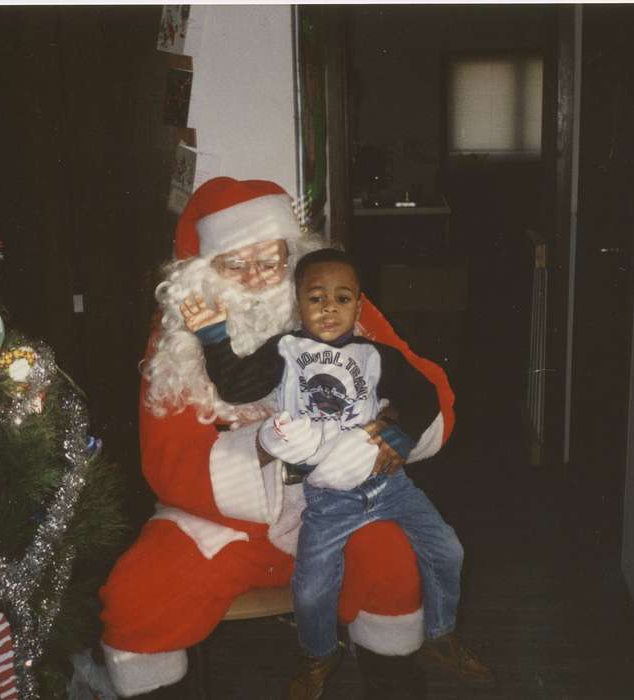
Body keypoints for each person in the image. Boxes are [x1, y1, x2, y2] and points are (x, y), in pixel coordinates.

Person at [98, 177, 485, 699]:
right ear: (203, 274)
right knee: (137, 597)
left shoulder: (331, 305)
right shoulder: (175, 341)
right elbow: (168, 464)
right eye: (236, 264)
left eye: (272, 260)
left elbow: (429, 388)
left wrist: (385, 436)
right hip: (225, 524)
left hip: (348, 503)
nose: (257, 277)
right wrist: (263, 446)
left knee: (397, 559)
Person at [179, 248, 492, 697]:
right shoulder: (286, 350)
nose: (329, 308)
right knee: (310, 589)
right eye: (317, 297)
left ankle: (440, 635)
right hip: (328, 498)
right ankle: (319, 653)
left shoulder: (375, 355)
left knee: (449, 550)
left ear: (359, 306)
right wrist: (212, 335)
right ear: (298, 302)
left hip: (390, 486)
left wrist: (401, 435)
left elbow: (424, 394)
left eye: (342, 299)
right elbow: (236, 385)